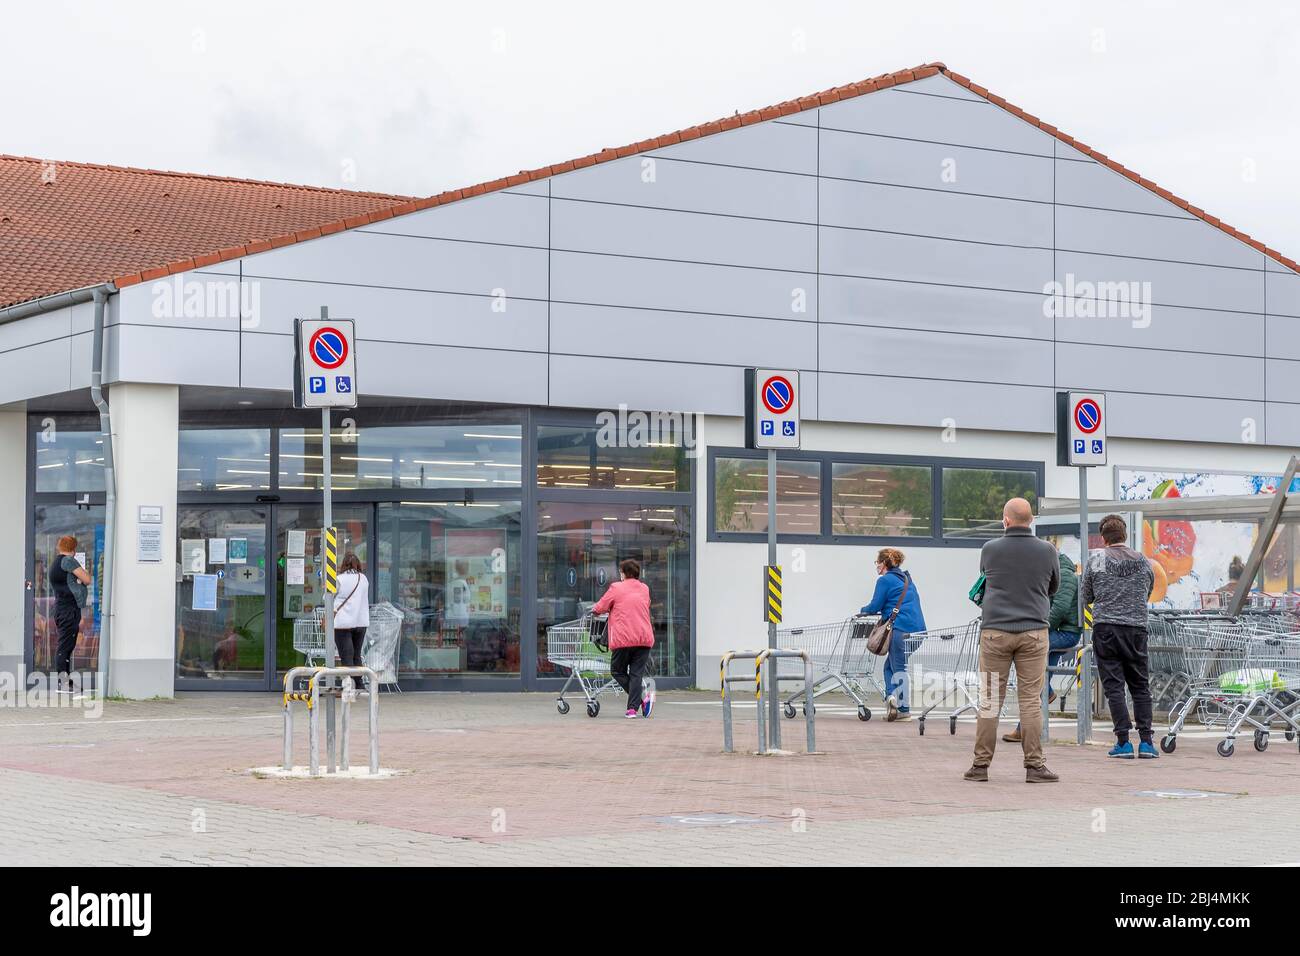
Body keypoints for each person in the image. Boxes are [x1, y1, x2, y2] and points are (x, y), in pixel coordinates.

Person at [964, 498, 1061, 783]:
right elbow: (1053, 586)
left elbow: (985, 578)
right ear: (1031, 520)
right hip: (1033, 631)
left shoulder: (990, 549)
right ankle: (1035, 766)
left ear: (1005, 520)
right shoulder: (1048, 551)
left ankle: (980, 766)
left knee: (990, 700)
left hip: (995, 632)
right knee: (1031, 700)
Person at [1081, 514, 1158, 759]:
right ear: (1125, 535)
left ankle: (1123, 742)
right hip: (1136, 629)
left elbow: (1087, 596)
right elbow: (1148, 590)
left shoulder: (1098, 560)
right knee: (1140, 686)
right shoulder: (1143, 561)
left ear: (1103, 538)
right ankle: (1146, 742)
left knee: (1114, 686)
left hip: (1106, 629)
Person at [1003, 549, 1082, 743]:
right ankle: (1024, 727)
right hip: (1057, 631)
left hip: (1064, 633)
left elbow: (1060, 608)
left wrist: (1042, 629)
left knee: (1025, 656)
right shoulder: (1056, 572)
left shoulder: (1065, 574)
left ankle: (1046, 695)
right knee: (1039, 676)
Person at [860, 548, 926, 721]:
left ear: (884, 564)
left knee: (898, 668)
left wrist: (863, 610)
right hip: (919, 631)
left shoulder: (885, 580)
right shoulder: (906, 579)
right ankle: (893, 698)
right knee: (892, 666)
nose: (876, 566)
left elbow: (874, 606)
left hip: (900, 630)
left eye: (877, 563)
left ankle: (901, 707)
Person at [592, 559, 656, 718]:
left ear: (624, 573)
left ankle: (641, 700)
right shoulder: (644, 588)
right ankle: (632, 710)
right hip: (643, 638)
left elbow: (600, 607)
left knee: (617, 670)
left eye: (620, 571)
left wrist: (594, 610)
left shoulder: (616, 588)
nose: (619, 574)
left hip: (624, 639)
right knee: (636, 674)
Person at [48, 535, 92, 694]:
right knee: (65, 646)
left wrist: (76, 581)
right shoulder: (68, 561)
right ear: (73, 548)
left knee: (65, 645)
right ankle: (64, 684)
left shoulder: (55, 563)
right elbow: (87, 579)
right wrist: (80, 581)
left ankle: (65, 682)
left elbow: (69, 582)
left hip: (61, 608)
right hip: (69, 610)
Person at [333, 553, 371, 690]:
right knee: (356, 654)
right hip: (361, 622)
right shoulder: (364, 579)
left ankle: (348, 685)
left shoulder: (339, 579)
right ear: (358, 564)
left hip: (343, 623)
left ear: (343, 564)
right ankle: (359, 684)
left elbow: (327, 598)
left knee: (346, 655)